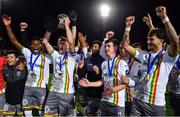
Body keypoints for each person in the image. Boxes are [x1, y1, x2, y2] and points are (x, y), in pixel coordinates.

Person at [122, 6, 179, 116]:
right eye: (148, 39)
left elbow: (175, 42)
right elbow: (125, 45)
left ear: (161, 41)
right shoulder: (144, 55)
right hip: (137, 101)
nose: (148, 41)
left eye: (151, 39)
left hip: (155, 105)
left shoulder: (168, 57)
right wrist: (128, 27)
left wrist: (164, 18)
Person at [2, 15, 52, 116]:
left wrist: (50, 29)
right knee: (27, 111)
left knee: (42, 112)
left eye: (38, 44)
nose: (35, 46)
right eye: (33, 44)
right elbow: (14, 41)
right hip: (28, 87)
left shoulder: (47, 57)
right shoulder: (28, 53)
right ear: (30, 46)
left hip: (41, 88)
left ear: (41, 46)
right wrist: (8, 26)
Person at [79, 38, 128, 116]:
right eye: (105, 46)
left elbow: (125, 83)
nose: (106, 48)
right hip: (104, 100)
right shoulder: (104, 64)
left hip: (117, 104)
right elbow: (102, 82)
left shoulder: (122, 63)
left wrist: (111, 90)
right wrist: (89, 84)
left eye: (108, 46)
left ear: (115, 48)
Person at [42, 17, 77, 116]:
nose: (60, 45)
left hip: (67, 93)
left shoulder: (71, 56)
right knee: (48, 115)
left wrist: (66, 25)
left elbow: (71, 42)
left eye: (63, 43)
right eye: (59, 43)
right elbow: (45, 41)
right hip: (53, 91)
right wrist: (50, 28)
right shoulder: (55, 55)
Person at [78, 40, 104, 116]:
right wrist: (80, 68)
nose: (93, 48)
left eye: (96, 47)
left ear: (100, 49)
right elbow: (81, 75)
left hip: (101, 93)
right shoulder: (87, 59)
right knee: (89, 114)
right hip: (90, 93)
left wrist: (99, 72)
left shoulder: (104, 60)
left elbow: (106, 77)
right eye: (93, 47)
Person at [3, 51, 27, 116]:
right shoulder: (5, 68)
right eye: (8, 57)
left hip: (21, 100)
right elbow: (5, 80)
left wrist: (22, 63)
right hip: (9, 100)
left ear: (16, 59)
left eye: (11, 57)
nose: (9, 59)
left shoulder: (24, 68)